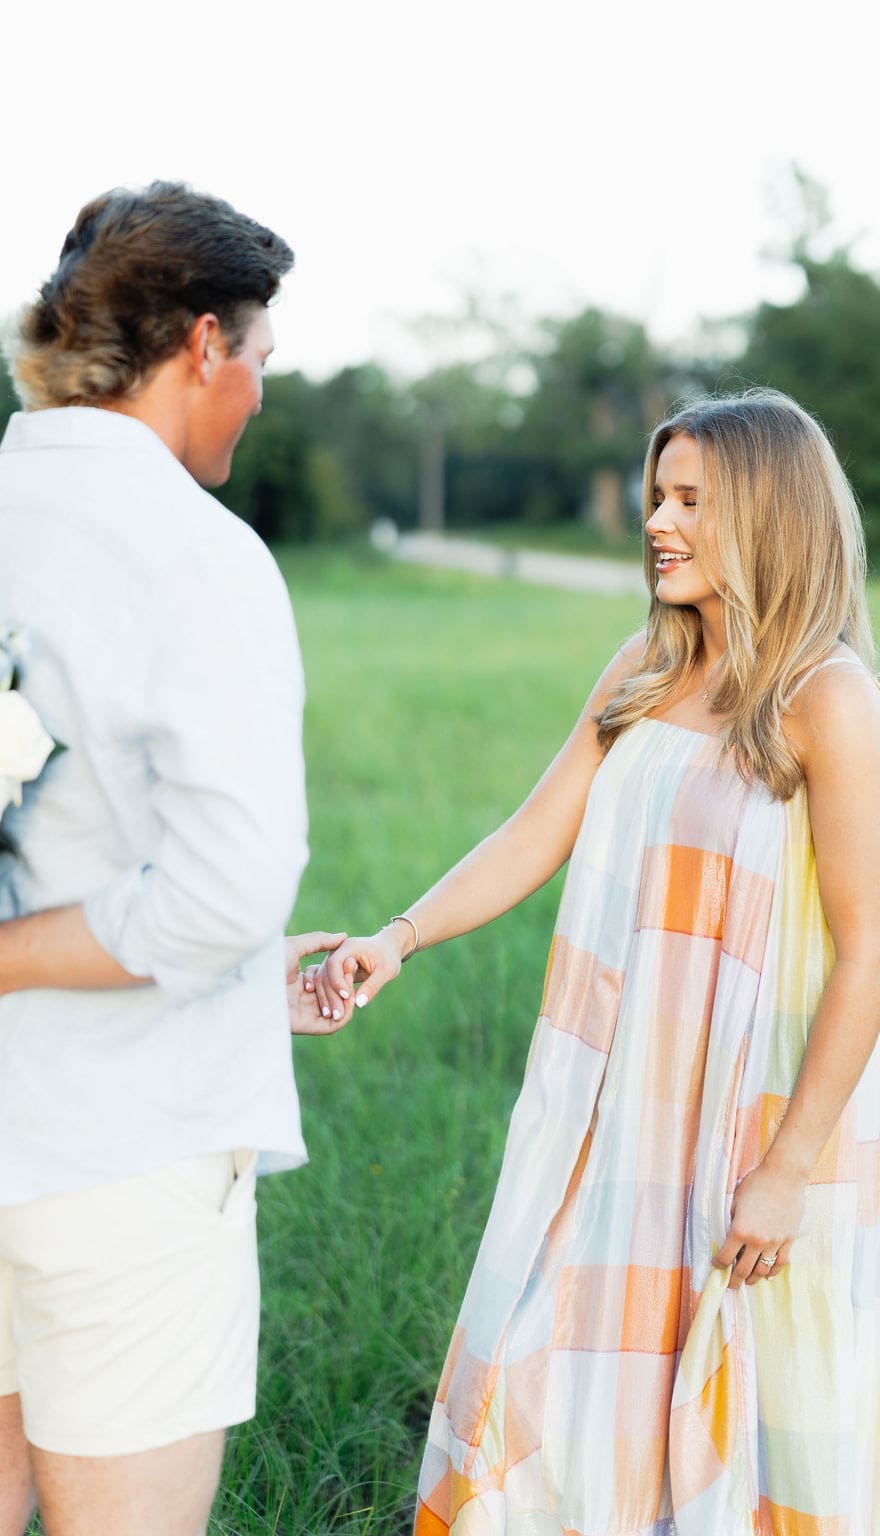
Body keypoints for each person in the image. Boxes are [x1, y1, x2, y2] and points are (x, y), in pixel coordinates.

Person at [309, 390, 880, 1535]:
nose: (658, 519)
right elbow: (532, 831)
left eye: (692, 499)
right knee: (545, 1352)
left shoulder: (828, 700)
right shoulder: (642, 668)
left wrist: (789, 1168)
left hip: (752, 1113)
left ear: (767, 516)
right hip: (613, 1102)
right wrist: (394, 939)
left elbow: (873, 950)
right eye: (658, 494)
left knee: (736, 1395)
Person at [0, 183, 343, 1536]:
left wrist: (248, 969)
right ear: (203, 342)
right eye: (259, 360)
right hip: (118, 1153)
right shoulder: (195, 555)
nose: (257, 395)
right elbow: (223, 888)